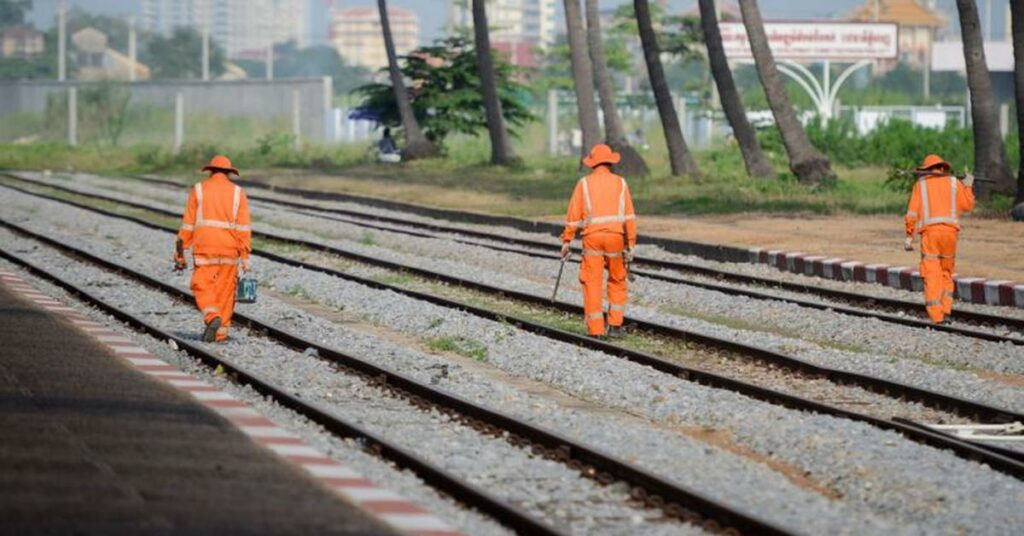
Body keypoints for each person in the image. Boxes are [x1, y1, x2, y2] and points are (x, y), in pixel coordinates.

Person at [560, 144, 637, 338]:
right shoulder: (621, 183)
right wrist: (631, 244)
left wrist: (566, 240)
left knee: (592, 281)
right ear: (610, 162)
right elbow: (629, 216)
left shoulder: (584, 184)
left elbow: (573, 216)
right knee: (618, 279)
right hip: (616, 238)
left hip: (592, 239)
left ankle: (596, 330)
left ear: (592, 163)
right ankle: (616, 325)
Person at [174, 155, 252, 342]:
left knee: (201, 284)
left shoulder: (199, 189)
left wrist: (180, 252)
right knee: (225, 290)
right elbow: (243, 227)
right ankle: (220, 333)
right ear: (229, 173)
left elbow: (188, 224)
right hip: (229, 248)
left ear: (210, 170)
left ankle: (212, 317)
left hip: (205, 247)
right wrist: (245, 256)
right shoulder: (237, 193)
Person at [903, 154, 975, 324]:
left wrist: (909, 236)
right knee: (946, 272)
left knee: (931, 273)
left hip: (931, 235)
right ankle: (946, 309)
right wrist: (968, 186)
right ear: (942, 168)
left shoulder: (920, 185)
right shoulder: (953, 182)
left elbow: (912, 213)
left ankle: (936, 316)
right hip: (950, 235)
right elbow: (968, 206)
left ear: (927, 170)